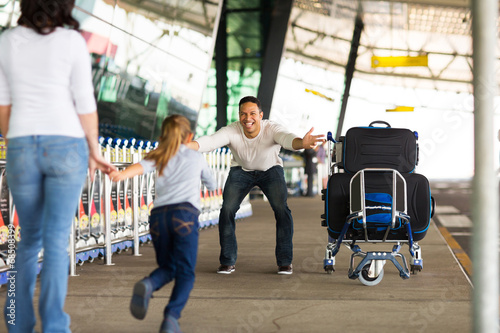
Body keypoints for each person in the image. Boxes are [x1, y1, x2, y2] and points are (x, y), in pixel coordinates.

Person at [0, 1, 115, 332]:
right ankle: (53, 325)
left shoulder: (7, 40)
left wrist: (21, 143)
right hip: (66, 144)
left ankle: (18, 325)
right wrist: (94, 149)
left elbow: (3, 106)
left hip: (21, 144)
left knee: (27, 239)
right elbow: (85, 102)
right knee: (54, 239)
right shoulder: (71, 41)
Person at [187, 96, 324, 275]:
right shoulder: (232, 130)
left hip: (270, 170)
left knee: (281, 209)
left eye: (252, 113)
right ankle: (227, 261)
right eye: (243, 114)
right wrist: (185, 146)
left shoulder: (271, 128)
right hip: (241, 171)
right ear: (239, 116)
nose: (247, 118)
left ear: (260, 115)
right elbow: (210, 141)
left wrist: (302, 143)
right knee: (227, 209)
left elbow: (287, 139)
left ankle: (285, 262)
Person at [109, 115, 216, 333]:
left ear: (162, 136)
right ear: (190, 136)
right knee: (185, 272)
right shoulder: (196, 157)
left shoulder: (160, 155)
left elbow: (138, 168)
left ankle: (149, 284)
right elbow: (212, 183)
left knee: (168, 267)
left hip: (158, 217)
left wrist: (119, 175)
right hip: (184, 215)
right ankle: (171, 318)